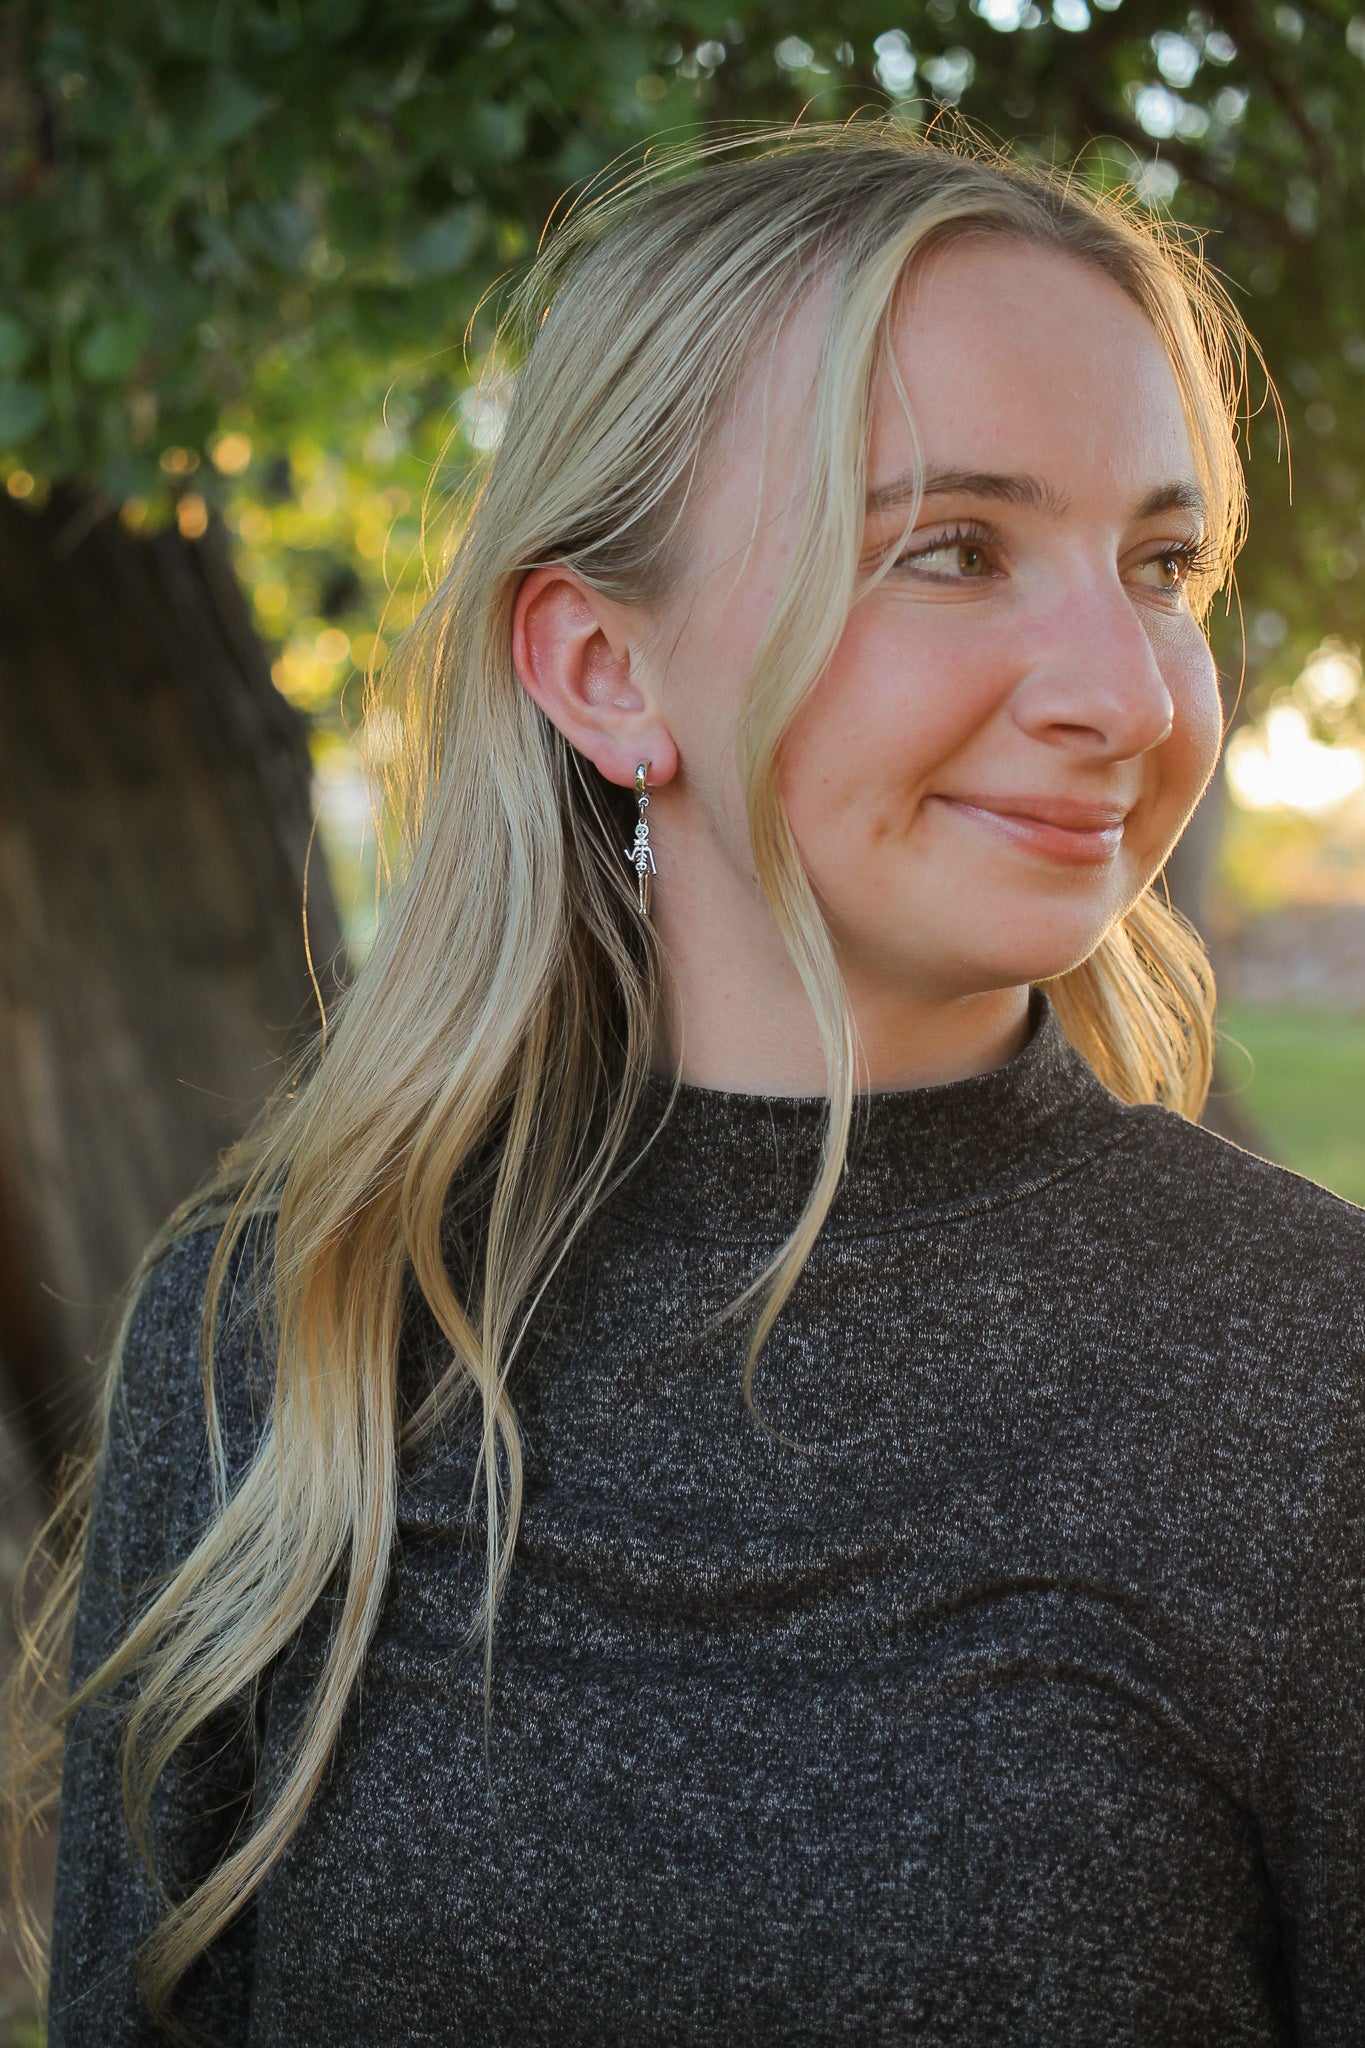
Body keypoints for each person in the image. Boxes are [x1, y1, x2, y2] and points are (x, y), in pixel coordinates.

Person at [18, 123, 1365, 2046]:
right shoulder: (280, 1333)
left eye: (1160, 563)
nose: (1132, 694)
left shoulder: (1314, 1385)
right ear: (599, 667)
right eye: (954, 550)